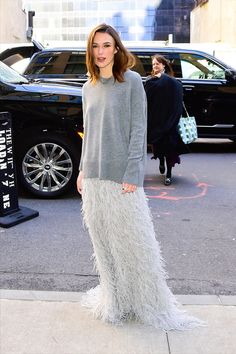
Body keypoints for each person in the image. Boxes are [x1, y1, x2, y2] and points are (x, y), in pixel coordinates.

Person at [77, 23, 204, 330]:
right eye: (95, 46)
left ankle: (144, 300)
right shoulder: (88, 87)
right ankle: (116, 299)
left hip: (122, 179)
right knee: (104, 244)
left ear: (117, 48)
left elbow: (138, 130)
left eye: (107, 45)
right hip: (93, 180)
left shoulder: (131, 81)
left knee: (133, 244)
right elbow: (89, 132)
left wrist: (133, 172)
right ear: (90, 51)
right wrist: (82, 170)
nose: (101, 52)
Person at [144, 54, 189, 186]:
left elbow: (178, 96)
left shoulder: (172, 81)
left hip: (170, 122)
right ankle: (161, 161)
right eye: (153, 64)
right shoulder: (150, 80)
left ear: (164, 65)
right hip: (156, 121)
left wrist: (162, 79)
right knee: (158, 146)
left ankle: (168, 174)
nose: (155, 66)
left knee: (170, 148)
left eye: (157, 63)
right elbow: (146, 96)